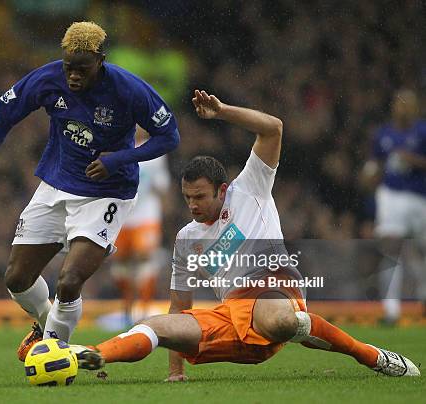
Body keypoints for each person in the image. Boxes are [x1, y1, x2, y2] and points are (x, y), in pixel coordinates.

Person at [73, 90, 420, 378]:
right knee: (157, 325)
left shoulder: (250, 188)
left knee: (277, 319)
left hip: (275, 291)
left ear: (222, 191)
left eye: (200, 197)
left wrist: (223, 111)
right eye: (187, 198)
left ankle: (369, 355)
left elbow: (273, 129)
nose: (192, 206)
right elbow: (181, 303)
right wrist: (175, 371)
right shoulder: (186, 239)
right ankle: (93, 355)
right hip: (232, 317)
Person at [0, 21, 179, 360]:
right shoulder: (47, 79)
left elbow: (169, 135)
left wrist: (120, 158)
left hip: (107, 192)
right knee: (16, 277)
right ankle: (48, 327)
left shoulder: (129, 89)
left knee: (69, 280)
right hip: (56, 184)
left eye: (82, 69)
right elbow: (2, 120)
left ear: (101, 60)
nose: (73, 76)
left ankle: (55, 354)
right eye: (68, 67)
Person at [361, 89, 426, 324]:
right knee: (390, 249)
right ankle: (391, 311)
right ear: (393, 107)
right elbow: (374, 164)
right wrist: (369, 175)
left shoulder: (423, 131)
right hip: (391, 196)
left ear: (416, 108)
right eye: (400, 104)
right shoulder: (383, 134)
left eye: (408, 104)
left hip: (420, 198)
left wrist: (412, 160)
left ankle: (423, 295)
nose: (403, 108)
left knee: (420, 252)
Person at [111, 128, 171, 326]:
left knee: (145, 258)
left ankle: (144, 311)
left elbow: (161, 185)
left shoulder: (155, 151)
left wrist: (164, 210)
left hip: (147, 214)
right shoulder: (116, 146)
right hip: (122, 213)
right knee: (121, 263)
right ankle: (127, 309)